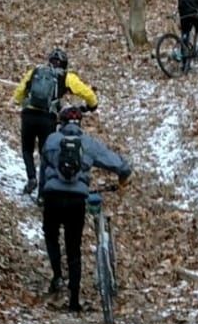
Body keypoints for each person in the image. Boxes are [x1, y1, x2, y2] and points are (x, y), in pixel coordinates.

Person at [38, 105, 130, 313]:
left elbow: (43, 169)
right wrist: (124, 174)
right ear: (80, 123)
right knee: (74, 247)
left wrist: (42, 193)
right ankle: (74, 300)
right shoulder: (88, 143)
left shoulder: (51, 140)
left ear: (60, 123)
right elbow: (115, 162)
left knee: (51, 235)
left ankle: (57, 275)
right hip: (76, 200)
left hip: (53, 197)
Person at [13, 48, 97, 195]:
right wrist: (92, 104)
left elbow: (19, 92)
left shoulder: (35, 71)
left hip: (28, 115)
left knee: (27, 149)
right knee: (46, 154)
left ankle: (31, 177)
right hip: (48, 118)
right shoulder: (66, 77)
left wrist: (21, 102)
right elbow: (86, 92)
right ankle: (42, 194)